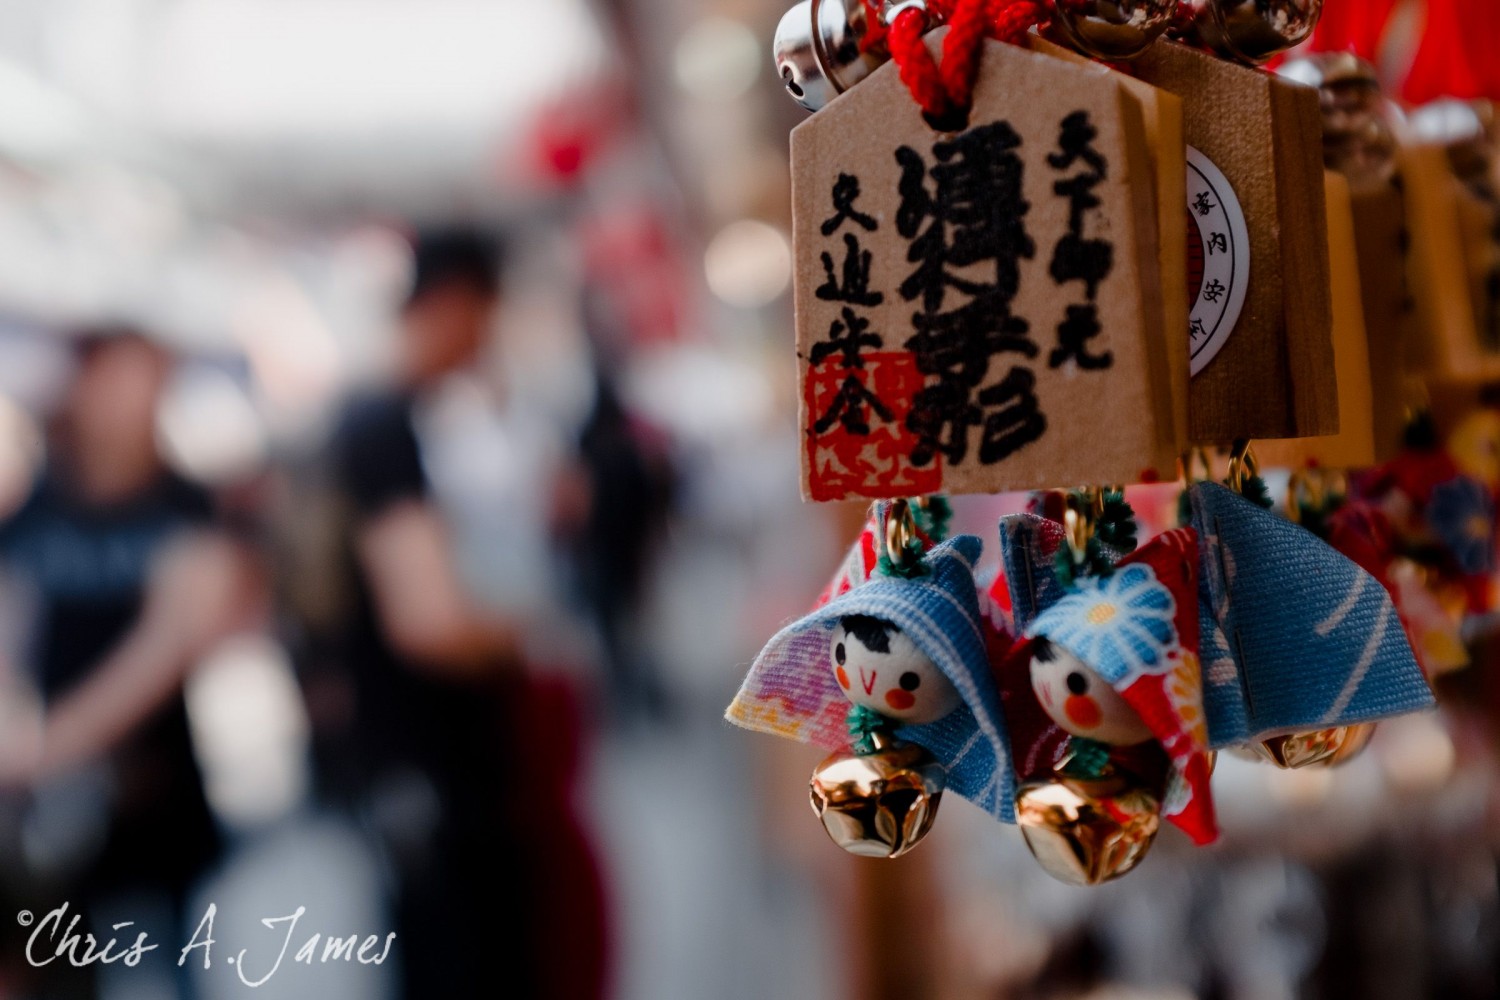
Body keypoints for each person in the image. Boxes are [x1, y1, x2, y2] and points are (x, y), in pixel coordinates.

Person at [283, 229, 606, 999]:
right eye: (489, 316)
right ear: (458, 305)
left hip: (392, 752)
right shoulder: (385, 427)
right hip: (437, 758)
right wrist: (530, 636)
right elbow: (429, 622)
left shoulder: (361, 418)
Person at [0, 328, 254, 998]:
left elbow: (177, 642)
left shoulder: (188, 511)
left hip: (149, 803)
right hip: (41, 823)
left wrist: (52, 746)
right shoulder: (34, 509)